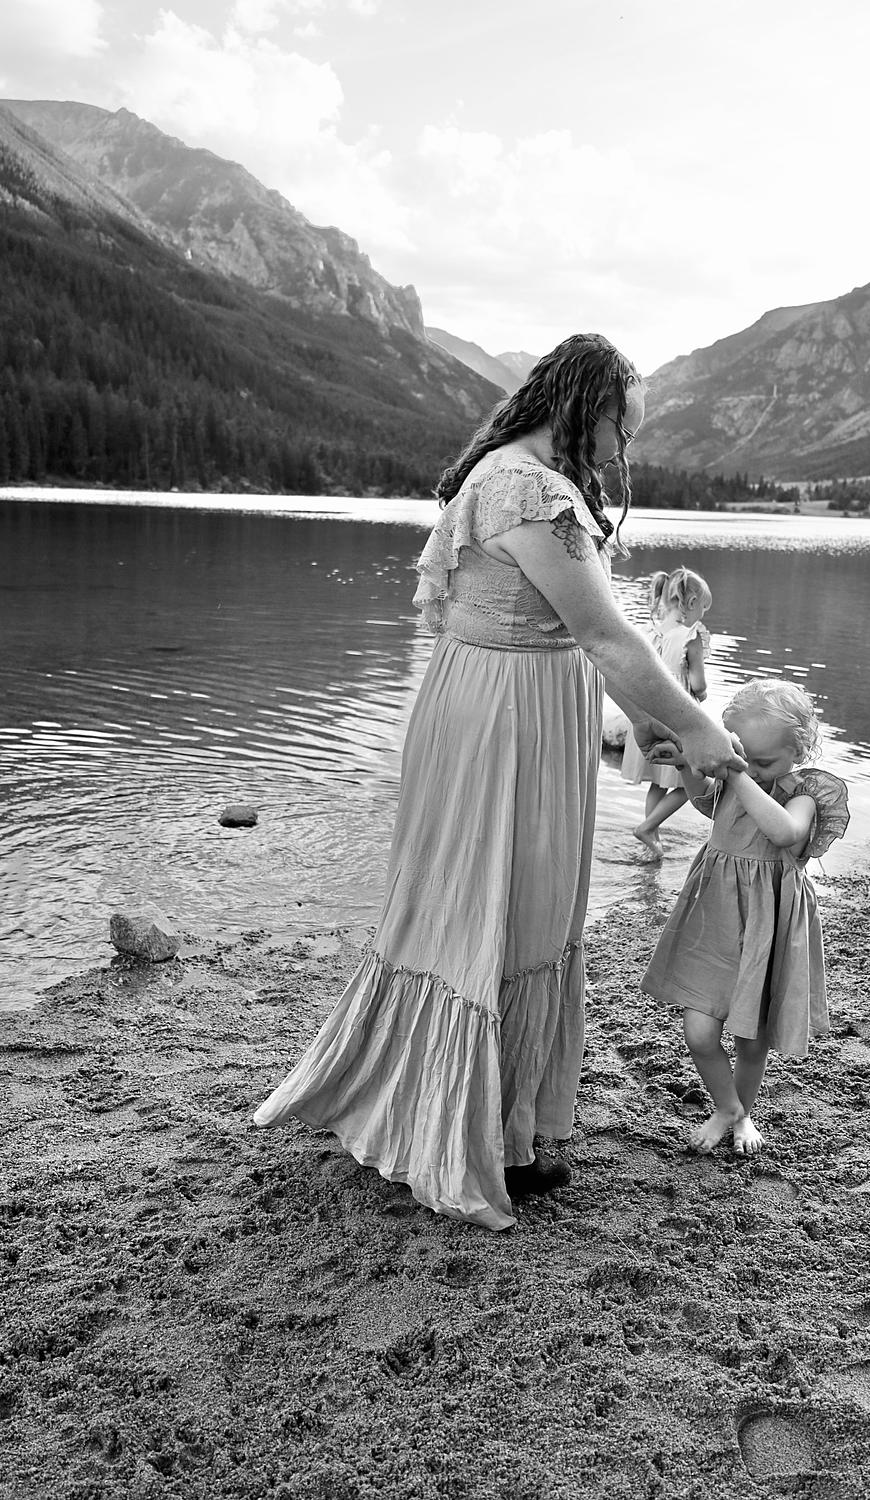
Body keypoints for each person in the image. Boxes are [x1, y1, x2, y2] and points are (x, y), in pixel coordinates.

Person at [253, 332, 743, 1232]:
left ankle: (490, 1120)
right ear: (583, 408)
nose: (621, 451)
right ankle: (479, 1133)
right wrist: (697, 725)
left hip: (507, 705)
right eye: (622, 429)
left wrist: (639, 716)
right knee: (502, 912)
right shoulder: (528, 490)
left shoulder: (515, 475)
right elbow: (605, 635)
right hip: (505, 722)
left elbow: (573, 631)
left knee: (504, 910)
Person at [641, 678, 849, 1156]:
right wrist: (689, 765)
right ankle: (728, 1106)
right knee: (699, 1031)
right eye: (741, 755)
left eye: (763, 762)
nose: (750, 768)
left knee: (751, 1038)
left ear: (798, 751)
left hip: (768, 924)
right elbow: (706, 802)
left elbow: (785, 832)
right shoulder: (737, 777)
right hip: (714, 918)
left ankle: (740, 1113)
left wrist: (736, 774)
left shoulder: (803, 794)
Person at [621, 566, 712, 858]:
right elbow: (697, 684)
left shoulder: (650, 632)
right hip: (677, 718)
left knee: (658, 784)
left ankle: (652, 844)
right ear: (692, 602)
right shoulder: (691, 635)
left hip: (647, 715)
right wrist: (703, 694)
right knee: (692, 779)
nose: (702, 615)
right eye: (703, 608)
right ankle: (647, 828)